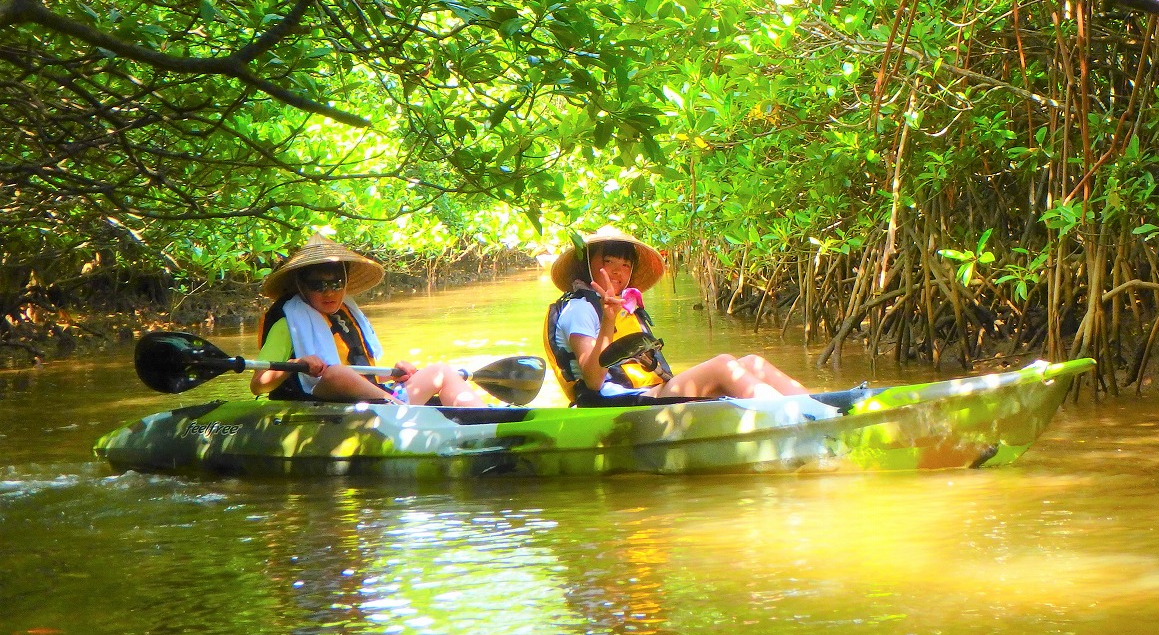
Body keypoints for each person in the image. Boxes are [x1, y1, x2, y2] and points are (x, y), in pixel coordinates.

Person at [543, 226, 810, 406]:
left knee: (753, 363)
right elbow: (593, 381)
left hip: (647, 392)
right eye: (608, 261)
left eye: (625, 264)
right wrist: (608, 320)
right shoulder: (579, 309)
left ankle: (813, 408)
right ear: (587, 265)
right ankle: (792, 417)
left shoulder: (623, 307)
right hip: (616, 403)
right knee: (723, 365)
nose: (618, 271)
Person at [251, 238, 485, 406]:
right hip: (319, 398)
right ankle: (401, 412)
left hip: (374, 400)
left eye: (336, 284)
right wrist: (297, 362)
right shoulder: (288, 323)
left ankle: (481, 418)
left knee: (440, 371)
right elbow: (258, 384)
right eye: (317, 285)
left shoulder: (346, 315)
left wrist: (392, 375)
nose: (329, 292)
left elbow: (361, 375)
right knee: (335, 374)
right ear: (301, 286)